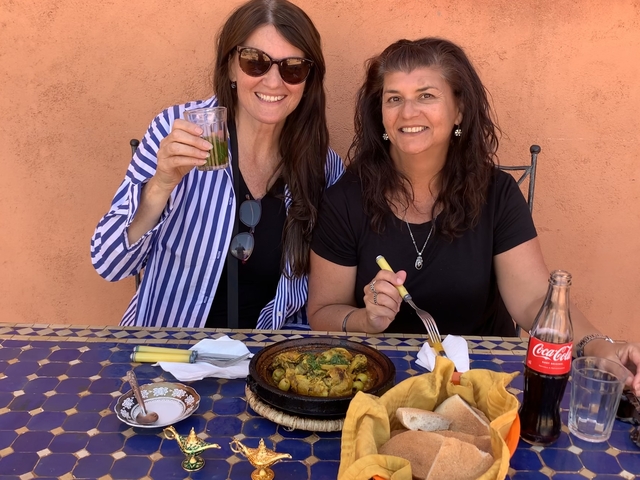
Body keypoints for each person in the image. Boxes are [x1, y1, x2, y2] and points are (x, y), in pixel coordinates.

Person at [307, 37, 640, 394]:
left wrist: (600, 347)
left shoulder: (496, 194)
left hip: (481, 386)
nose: (407, 112)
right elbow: (322, 312)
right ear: (381, 114)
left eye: (426, 95)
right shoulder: (346, 199)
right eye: (394, 99)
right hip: (378, 385)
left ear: (459, 110)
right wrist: (364, 318)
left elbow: (532, 301)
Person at [91, 0, 343, 330]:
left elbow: (315, 295)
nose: (273, 81)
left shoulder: (322, 166)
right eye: (255, 62)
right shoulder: (178, 130)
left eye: (293, 67)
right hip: (172, 353)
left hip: (268, 360)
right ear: (230, 67)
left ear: (308, 79)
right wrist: (161, 184)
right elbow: (109, 264)